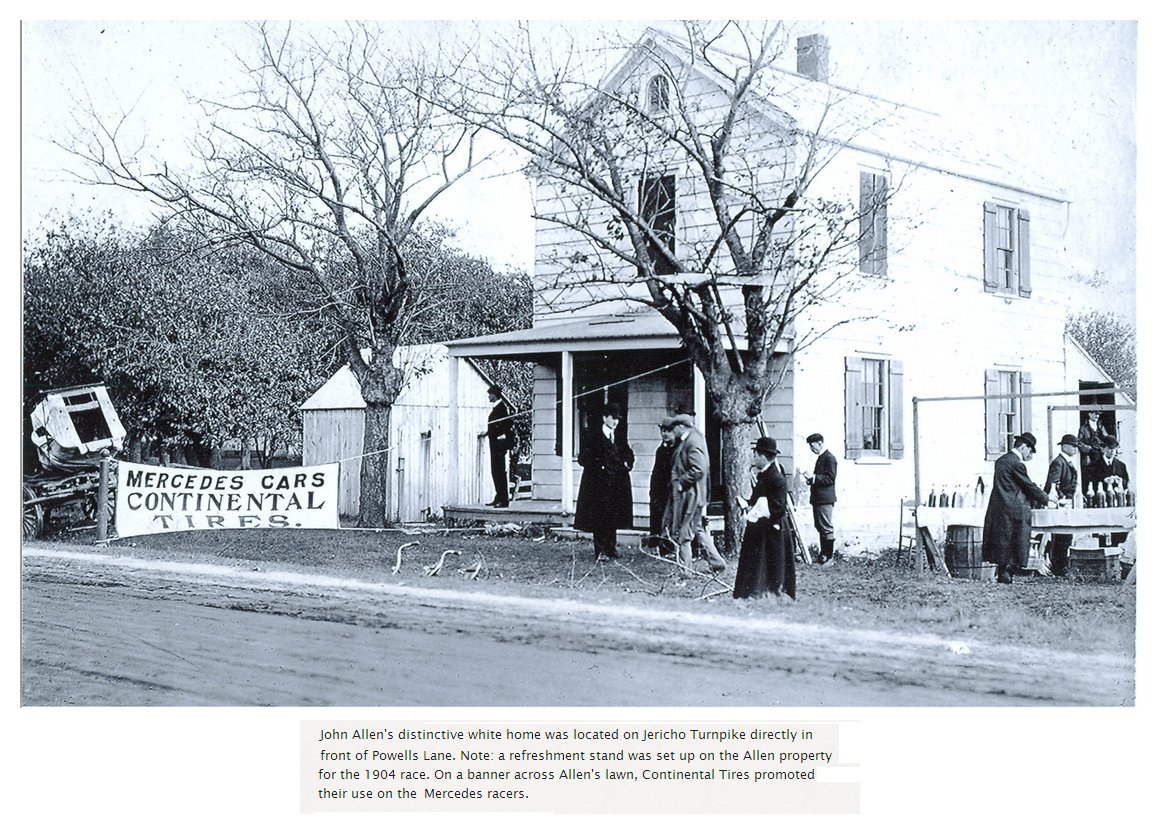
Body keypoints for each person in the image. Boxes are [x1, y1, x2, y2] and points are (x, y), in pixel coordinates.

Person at [982, 432, 1056, 584]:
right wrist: (1047, 499)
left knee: (1002, 541)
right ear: (1023, 447)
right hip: (1014, 509)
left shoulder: (1001, 460)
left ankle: (1003, 572)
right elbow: (1028, 485)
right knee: (1015, 541)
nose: (1030, 454)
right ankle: (1007, 574)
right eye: (1030, 450)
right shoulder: (1017, 464)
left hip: (999, 506)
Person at [733, 437, 796, 600]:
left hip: (771, 529)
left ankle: (768, 593)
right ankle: (753, 591)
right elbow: (757, 500)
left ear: (762, 456)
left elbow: (778, 507)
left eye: (755, 454)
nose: (754, 458)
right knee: (757, 561)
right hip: (761, 528)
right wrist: (746, 503)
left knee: (770, 563)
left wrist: (753, 510)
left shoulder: (776, 477)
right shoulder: (764, 475)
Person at [665, 414, 727, 572]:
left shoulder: (692, 441)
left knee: (684, 532)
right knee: (697, 528)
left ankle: (686, 570)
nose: (672, 431)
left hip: (692, 495)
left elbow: (699, 469)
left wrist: (681, 482)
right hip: (692, 494)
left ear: (680, 427)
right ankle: (717, 562)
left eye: (674, 428)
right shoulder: (691, 439)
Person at [573, 403, 635, 561]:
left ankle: (611, 548)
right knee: (599, 517)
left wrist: (628, 462)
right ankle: (600, 550)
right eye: (613, 418)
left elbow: (628, 453)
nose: (615, 422)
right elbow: (583, 459)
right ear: (604, 417)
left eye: (618, 419)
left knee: (612, 516)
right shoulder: (592, 436)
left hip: (615, 483)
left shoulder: (619, 436)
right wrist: (598, 466)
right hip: (597, 484)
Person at [1043, 433, 1081, 576]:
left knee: (1066, 536)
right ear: (1064, 447)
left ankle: (1062, 566)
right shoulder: (1058, 462)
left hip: (1067, 504)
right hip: (1060, 505)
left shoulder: (1067, 462)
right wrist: (1062, 498)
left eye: (1076, 446)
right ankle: (1058, 567)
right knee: (1060, 535)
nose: (1075, 449)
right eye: (1073, 446)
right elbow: (1054, 484)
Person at [803, 433, 837, 565]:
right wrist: (812, 480)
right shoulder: (822, 458)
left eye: (813, 446)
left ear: (820, 443)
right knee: (820, 526)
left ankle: (829, 558)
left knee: (826, 528)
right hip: (819, 498)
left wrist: (814, 478)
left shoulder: (829, 458)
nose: (812, 449)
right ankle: (824, 555)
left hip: (825, 499)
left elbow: (830, 478)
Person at [647, 418, 677, 547]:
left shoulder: (678, 450)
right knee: (659, 516)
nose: (665, 434)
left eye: (668, 431)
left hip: (673, 489)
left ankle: (670, 546)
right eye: (663, 431)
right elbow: (656, 473)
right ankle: (658, 543)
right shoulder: (660, 450)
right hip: (660, 489)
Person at [483, 385, 513, 508]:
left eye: (489, 395)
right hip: (495, 443)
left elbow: (507, 424)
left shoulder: (501, 408)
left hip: (499, 444)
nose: (488, 397)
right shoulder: (497, 408)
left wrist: (499, 435)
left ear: (494, 395)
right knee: (495, 470)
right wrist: (488, 433)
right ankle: (499, 496)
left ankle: (504, 500)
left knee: (499, 471)